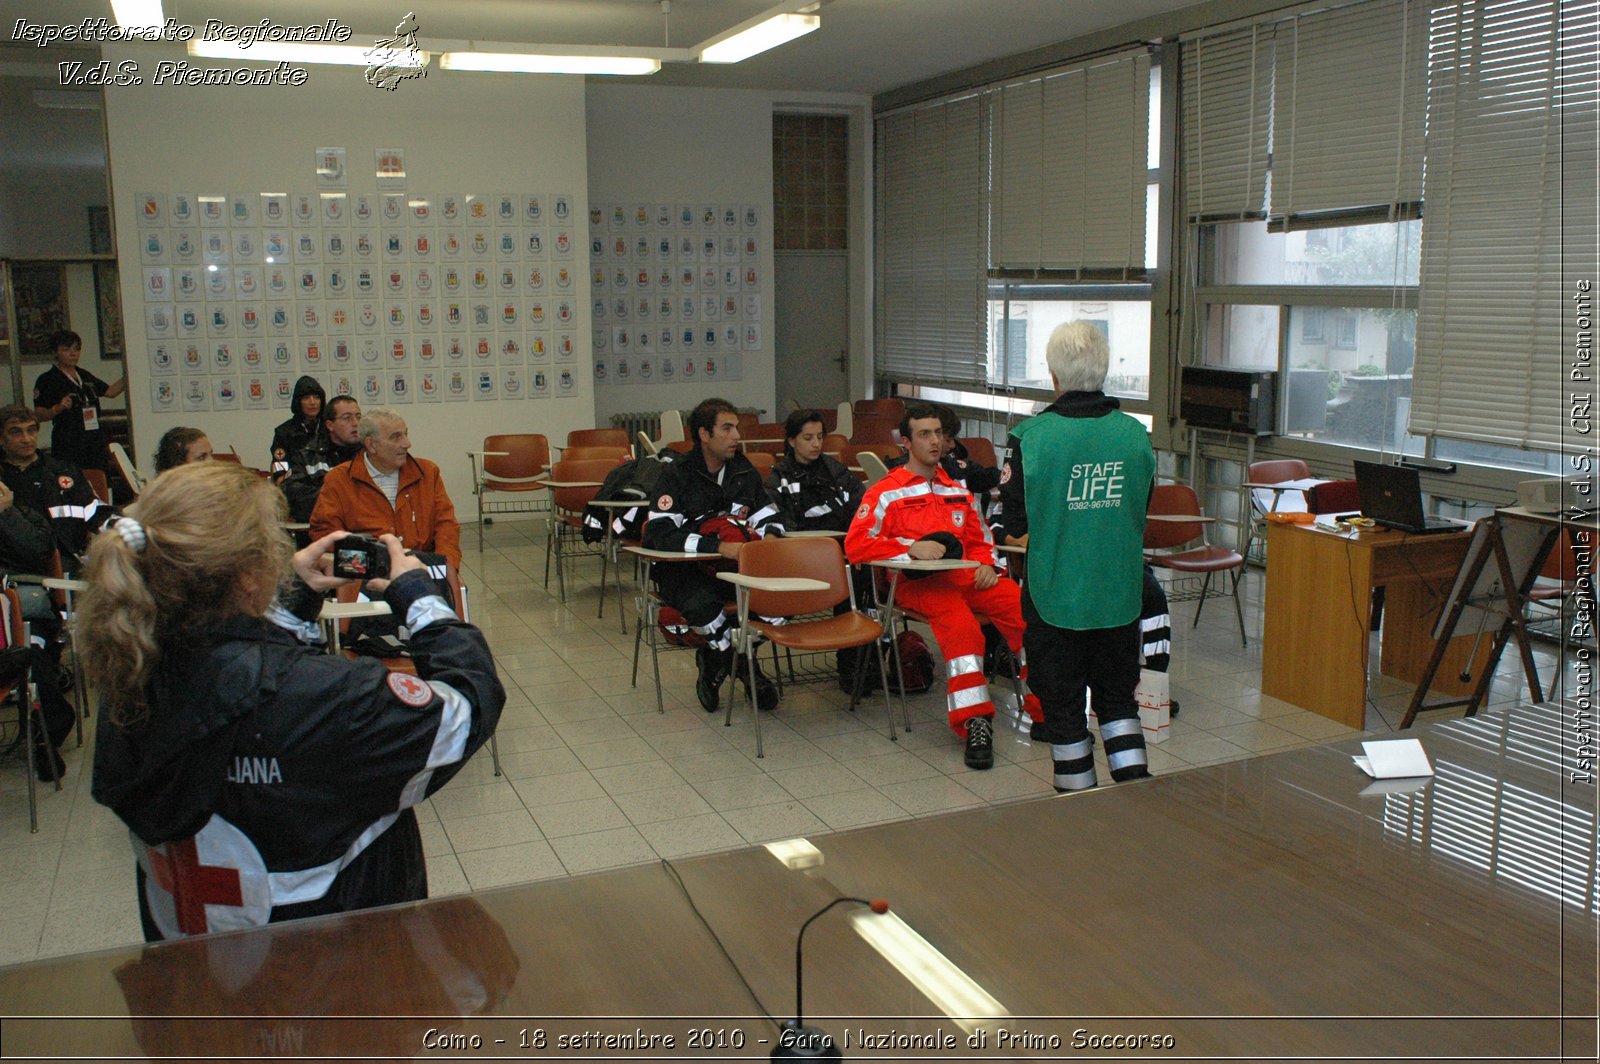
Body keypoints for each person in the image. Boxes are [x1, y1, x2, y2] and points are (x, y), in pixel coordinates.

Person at [84, 462, 503, 941]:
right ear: (249, 576)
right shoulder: (334, 697)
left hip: (190, 972)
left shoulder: (129, 670)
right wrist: (421, 599)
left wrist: (289, 602)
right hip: (331, 979)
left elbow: (229, 677)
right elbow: (469, 703)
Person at [999, 321, 1154, 792]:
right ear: (1103, 371)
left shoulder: (1030, 438)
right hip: (1120, 595)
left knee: (1065, 709)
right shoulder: (1136, 436)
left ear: (1054, 376)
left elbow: (1017, 527)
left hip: (1056, 598)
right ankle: (1137, 796)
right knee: (1119, 703)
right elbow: (1139, 509)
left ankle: (1077, 807)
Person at [845, 402, 1042, 770]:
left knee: (1026, 610)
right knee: (963, 629)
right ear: (906, 442)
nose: (935, 441)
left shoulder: (957, 491)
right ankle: (975, 722)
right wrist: (909, 547)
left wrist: (986, 564)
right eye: (924, 434)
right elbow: (856, 545)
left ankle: (1047, 709)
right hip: (917, 584)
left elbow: (981, 539)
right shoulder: (886, 492)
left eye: (938, 433)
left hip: (966, 577)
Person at [643, 398, 783, 712]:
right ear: (705, 435)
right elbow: (659, 533)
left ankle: (714, 658)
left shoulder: (742, 470)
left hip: (735, 567)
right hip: (682, 572)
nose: (736, 436)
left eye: (737, 428)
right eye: (727, 429)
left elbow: (769, 514)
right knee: (704, 608)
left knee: (780, 604)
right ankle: (748, 673)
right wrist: (715, 546)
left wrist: (771, 538)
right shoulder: (676, 474)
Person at [308, 407, 461, 574]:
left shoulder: (428, 472)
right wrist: (373, 567)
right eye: (396, 437)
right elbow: (325, 534)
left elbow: (447, 527)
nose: (407, 444)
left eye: (405, 434)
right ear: (371, 445)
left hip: (423, 569)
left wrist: (444, 570)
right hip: (365, 576)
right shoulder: (338, 479)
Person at [0, 404, 112, 567]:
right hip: (13, 565)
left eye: (31, 430)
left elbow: (96, 511)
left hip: (67, 558)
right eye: (16, 432)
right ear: (1, 439)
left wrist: (127, 528)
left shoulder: (63, 472)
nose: (26, 439)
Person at [33, 329, 127, 475]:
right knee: (72, 479)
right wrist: (58, 408)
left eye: (76, 349)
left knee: (99, 477)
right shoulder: (47, 379)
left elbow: (110, 392)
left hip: (93, 437)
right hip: (68, 439)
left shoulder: (83, 374)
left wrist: (130, 372)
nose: (73, 354)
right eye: (66, 349)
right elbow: (39, 414)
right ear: (55, 352)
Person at [765, 408, 862, 533]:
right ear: (792, 441)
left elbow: (860, 506)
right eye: (808, 438)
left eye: (820, 437)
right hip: (801, 546)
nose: (816, 444)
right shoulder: (779, 478)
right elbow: (774, 520)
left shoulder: (836, 470)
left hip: (843, 541)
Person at [278, 396, 363, 523]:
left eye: (358, 416)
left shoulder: (373, 454)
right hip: (323, 531)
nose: (355, 423)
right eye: (347, 418)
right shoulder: (307, 456)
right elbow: (292, 495)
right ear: (330, 425)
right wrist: (341, 499)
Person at [268, 375, 327, 479]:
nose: (312, 402)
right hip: (298, 486)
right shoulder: (284, 432)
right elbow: (279, 466)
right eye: (306, 398)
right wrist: (281, 480)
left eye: (317, 397)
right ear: (298, 402)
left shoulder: (330, 427)